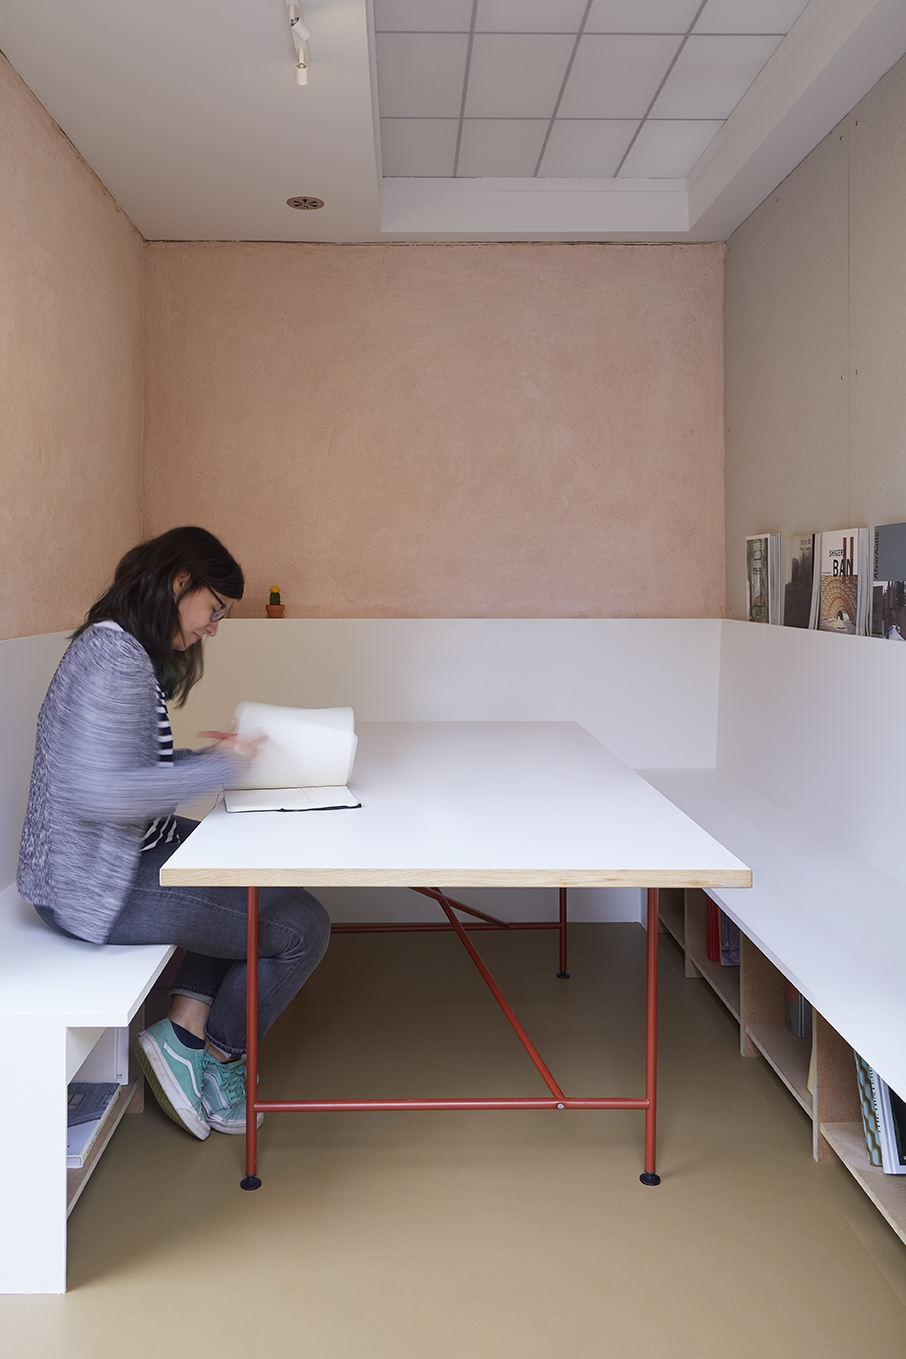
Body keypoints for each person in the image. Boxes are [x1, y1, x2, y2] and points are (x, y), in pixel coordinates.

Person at [17, 527, 330, 1140]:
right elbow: (100, 792)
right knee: (303, 928)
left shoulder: (118, 648)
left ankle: (183, 1031)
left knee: (249, 857)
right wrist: (221, 766)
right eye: (214, 609)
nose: (214, 627)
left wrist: (207, 759)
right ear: (179, 581)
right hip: (95, 884)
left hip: (115, 856)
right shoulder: (114, 660)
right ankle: (217, 1059)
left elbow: (130, 773)